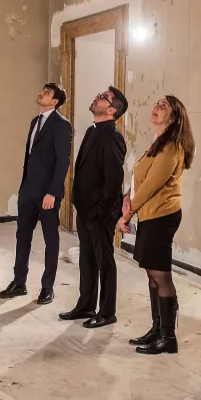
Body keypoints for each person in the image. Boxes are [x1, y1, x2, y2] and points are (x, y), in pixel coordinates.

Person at [118, 96, 194, 355]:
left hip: (162, 216)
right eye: (157, 104)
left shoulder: (172, 146)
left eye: (163, 107)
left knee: (161, 274)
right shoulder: (158, 142)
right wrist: (127, 197)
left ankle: (167, 337)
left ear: (172, 118)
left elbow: (152, 185)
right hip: (150, 215)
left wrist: (127, 215)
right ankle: (157, 329)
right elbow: (140, 178)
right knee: (152, 273)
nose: (156, 108)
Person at [59, 87, 128, 328]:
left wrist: (103, 211)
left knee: (104, 261)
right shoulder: (92, 130)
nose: (96, 97)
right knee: (87, 259)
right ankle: (86, 305)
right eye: (99, 94)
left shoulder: (113, 136)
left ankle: (107, 312)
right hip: (86, 209)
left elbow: (113, 179)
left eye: (103, 97)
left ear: (111, 110)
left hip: (100, 213)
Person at [0, 83, 73, 305]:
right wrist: (24, 187)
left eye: (47, 92)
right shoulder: (35, 121)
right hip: (28, 190)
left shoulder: (61, 125)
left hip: (47, 194)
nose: (41, 93)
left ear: (55, 101)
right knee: (22, 236)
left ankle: (47, 287)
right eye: (42, 90)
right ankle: (19, 282)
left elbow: (63, 161)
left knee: (51, 239)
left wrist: (52, 192)